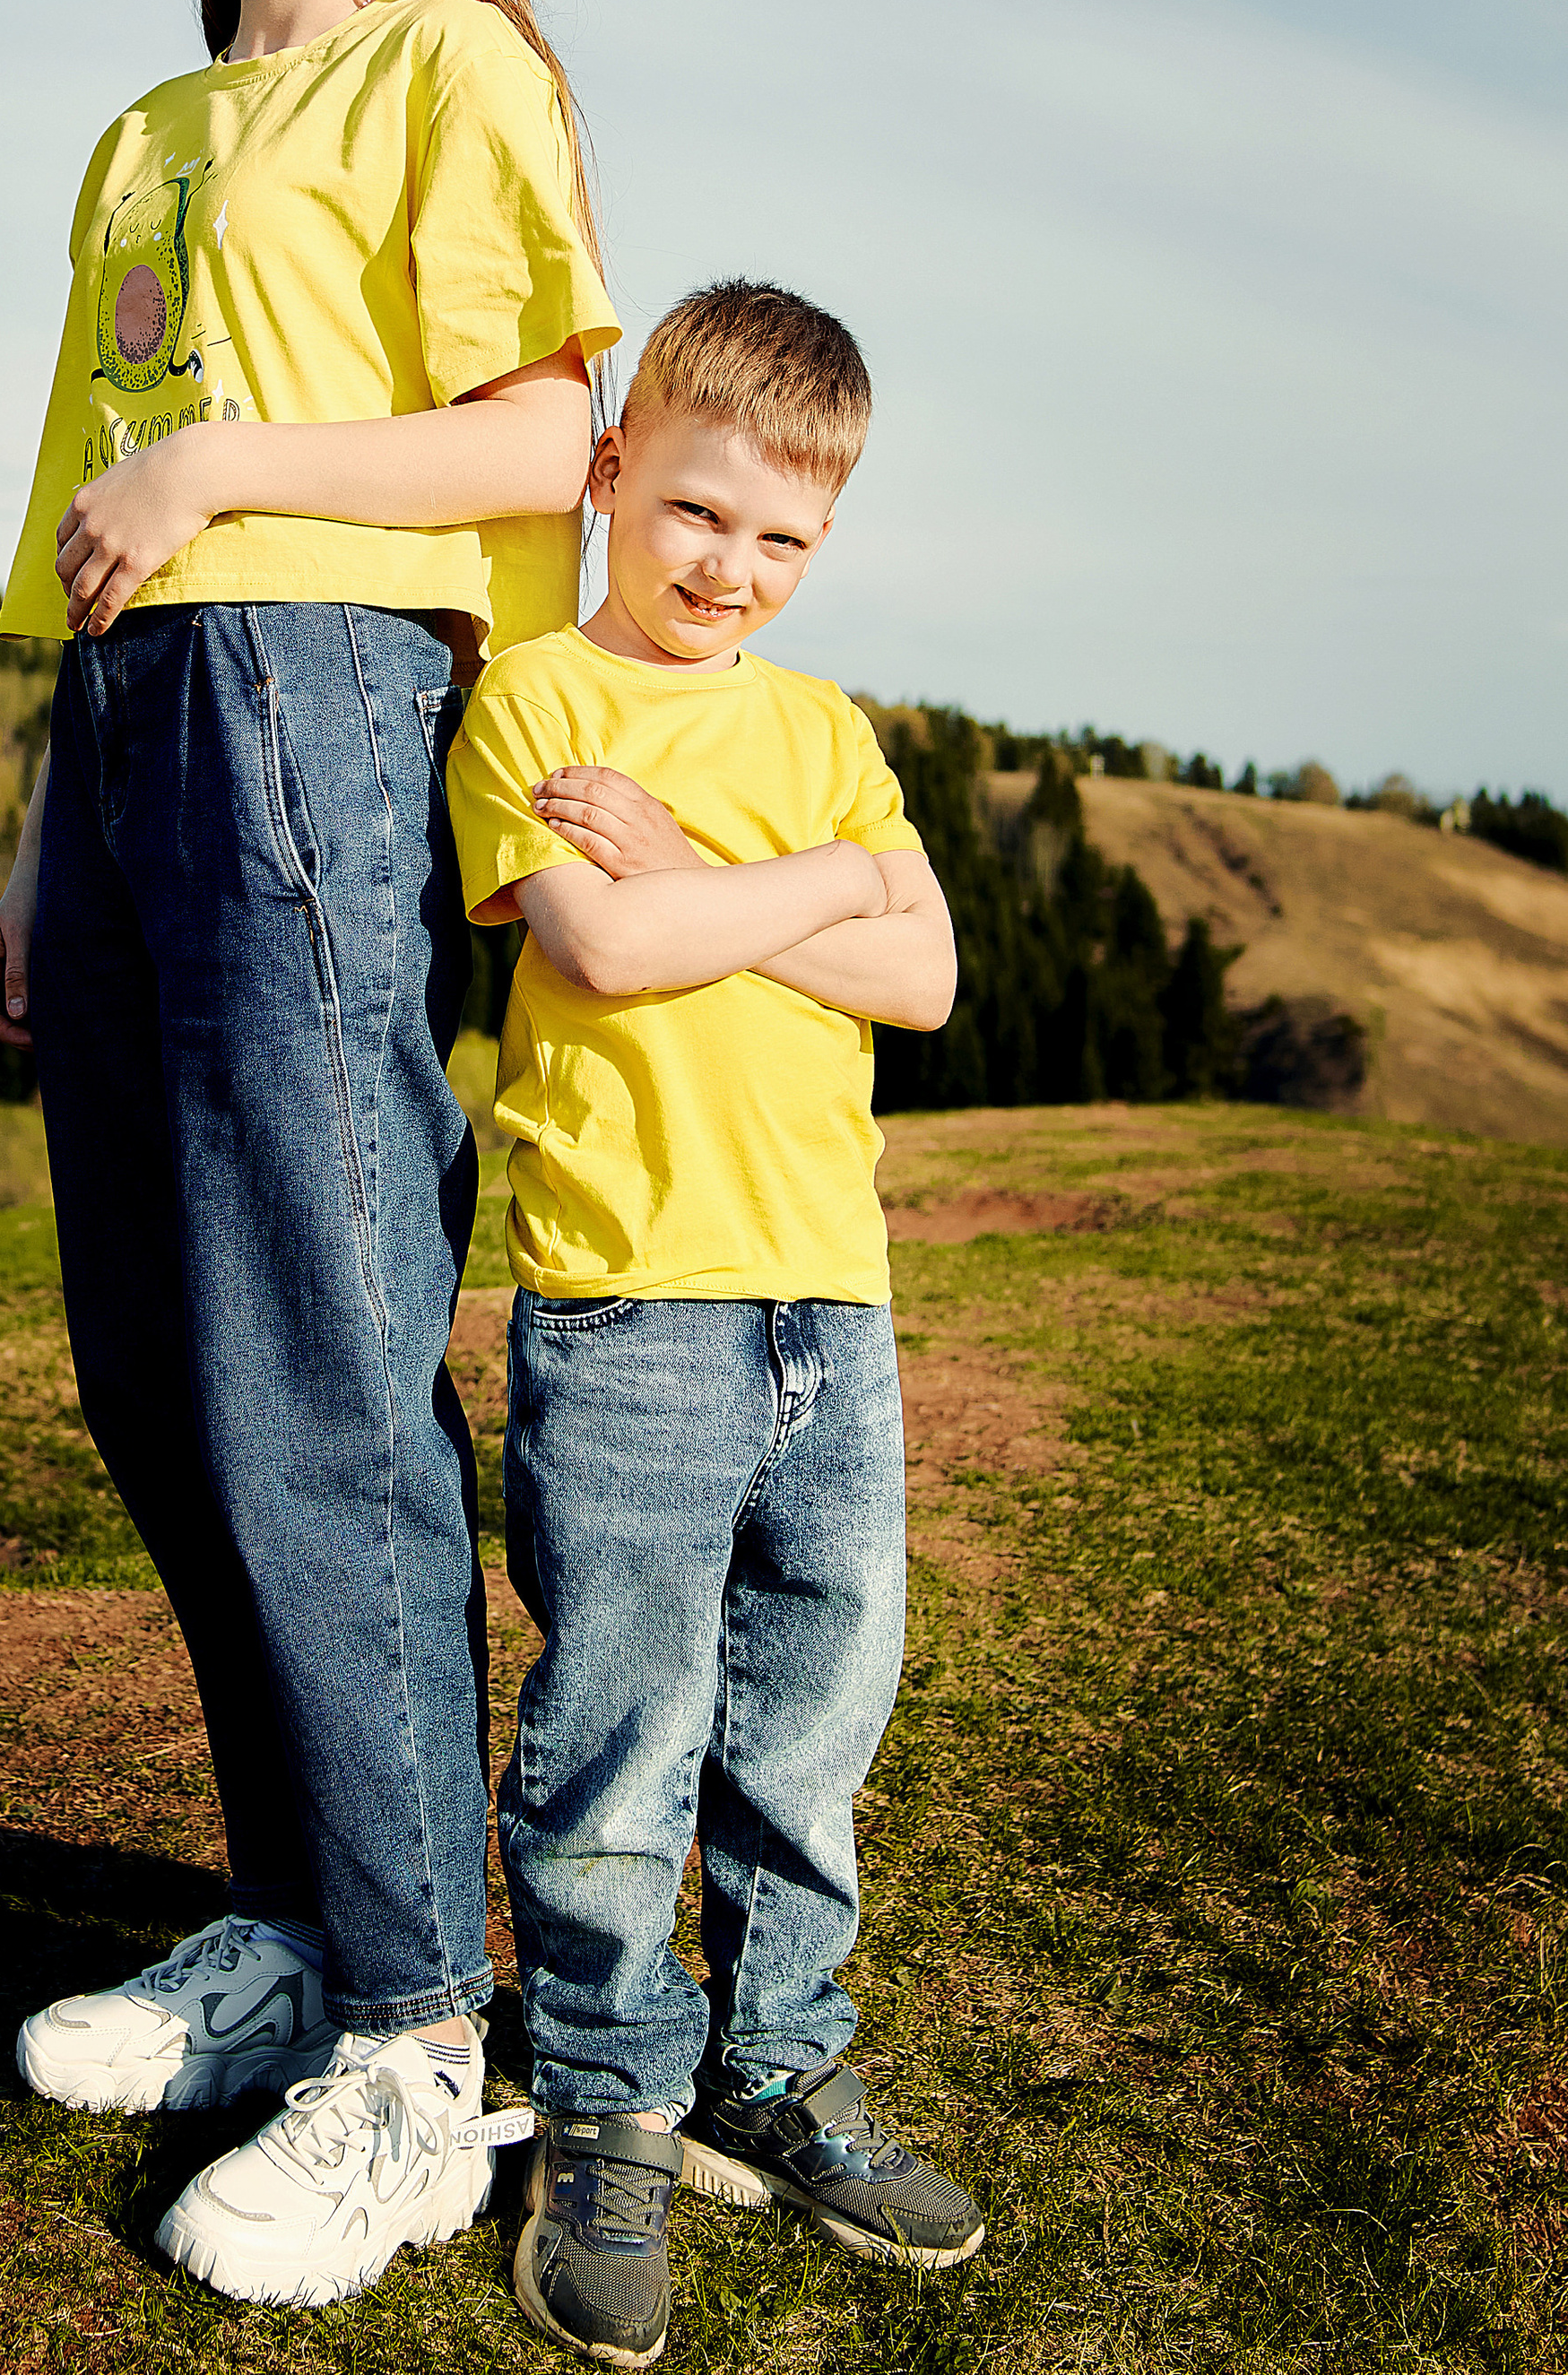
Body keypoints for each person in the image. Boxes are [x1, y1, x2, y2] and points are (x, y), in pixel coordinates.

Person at [0, 0, 620, 2309]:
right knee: (156, 1359)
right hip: (130, 739)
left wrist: (236, 454)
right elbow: (103, 521)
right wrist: (34, 841)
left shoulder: (455, 67)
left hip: (332, 698)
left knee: (321, 1358)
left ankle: (406, 2040)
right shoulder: (142, 133)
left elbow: (554, 438)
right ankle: (282, 1921)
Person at [444, 279, 986, 2370]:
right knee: (621, 1726)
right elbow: (604, 932)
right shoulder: (533, 704)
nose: (723, 570)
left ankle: (776, 2062)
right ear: (610, 471)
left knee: (809, 1719)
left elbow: (927, 987)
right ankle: (604, 2102)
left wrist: (737, 882)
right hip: (630, 1303)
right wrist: (821, 889)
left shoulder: (824, 732)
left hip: (826, 1305)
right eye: (688, 512)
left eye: (775, 540)